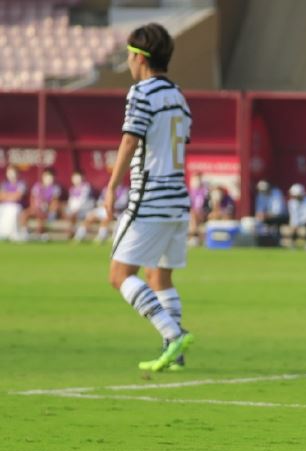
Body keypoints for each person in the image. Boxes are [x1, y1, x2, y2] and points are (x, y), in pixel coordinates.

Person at [105, 22, 194, 373]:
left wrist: (112, 186)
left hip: (150, 197)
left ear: (139, 57)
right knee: (159, 278)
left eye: (129, 54)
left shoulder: (141, 92)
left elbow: (130, 139)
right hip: (178, 200)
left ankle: (173, 335)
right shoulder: (178, 95)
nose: (128, 60)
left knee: (119, 275)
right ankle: (176, 354)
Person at [20, 167, 62, 240]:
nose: (48, 179)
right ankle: (24, 233)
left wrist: (47, 207)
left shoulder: (55, 188)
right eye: (47, 177)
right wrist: (34, 207)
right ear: (43, 177)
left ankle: (41, 234)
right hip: (36, 209)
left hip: (47, 211)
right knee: (24, 214)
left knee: (40, 217)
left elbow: (54, 203)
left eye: (50, 177)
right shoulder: (37, 186)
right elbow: (32, 199)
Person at [63, 171, 95, 239]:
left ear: (82, 178)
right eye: (74, 178)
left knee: (73, 214)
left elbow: (83, 200)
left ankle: (73, 232)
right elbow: (70, 201)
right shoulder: (72, 189)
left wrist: (75, 209)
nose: (76, 179)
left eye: (78, 177)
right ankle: (72, 230)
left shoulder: (86, 187)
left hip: (85, 209)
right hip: (74, 210)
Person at [286, 183, 306, 248]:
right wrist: (295, 225)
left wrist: (299, 223)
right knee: (293, 226)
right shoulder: (291, 203)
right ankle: (293, 244)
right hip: (299, 222)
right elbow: (293, 216)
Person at [0, 166, 27, 241]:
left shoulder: (21, 184)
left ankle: (13, 234)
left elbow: (18, 196)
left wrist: (7, 195)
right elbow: (1, 196)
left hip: (17, 206)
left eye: (13, 172)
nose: (11, 174)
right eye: (9, 172)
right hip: (4, 205)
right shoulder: (4, 184)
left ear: (17, 173)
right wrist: (11, 196)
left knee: (13, 210)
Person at [186, 172, 209, 246]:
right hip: (192, 214)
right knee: (192, 216)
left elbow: (205, 205)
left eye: (198, 179)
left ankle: (193, 237)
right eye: (194, 179)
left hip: (203, 213)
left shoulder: (204, 191)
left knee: (193, 216)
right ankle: (194, 237)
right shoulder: (189, 191)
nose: (196, 181)